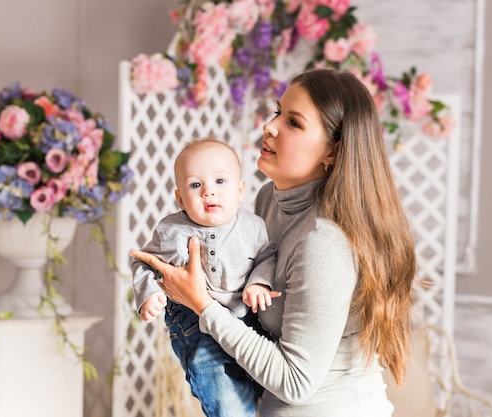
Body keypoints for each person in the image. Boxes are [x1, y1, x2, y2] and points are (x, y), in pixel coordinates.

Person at [130, 68, 417, 417]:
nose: (270, 126)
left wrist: (203, 306)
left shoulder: (323, 244)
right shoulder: (269, 201)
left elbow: (296, 382)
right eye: (278, 111)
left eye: (294, 122)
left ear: (332, 152)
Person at [130, 138, 280, 417]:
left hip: (246, 319)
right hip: (194, 326)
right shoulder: (171, 229)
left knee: (267, 393)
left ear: (240, 191)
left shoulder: (253, 226)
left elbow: (267, 257)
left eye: (220, 182)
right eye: (195, 185)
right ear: (180, 199)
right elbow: (144, 262)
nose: (208, 192)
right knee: (227, 402)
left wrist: (259, 283)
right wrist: (149, 294)